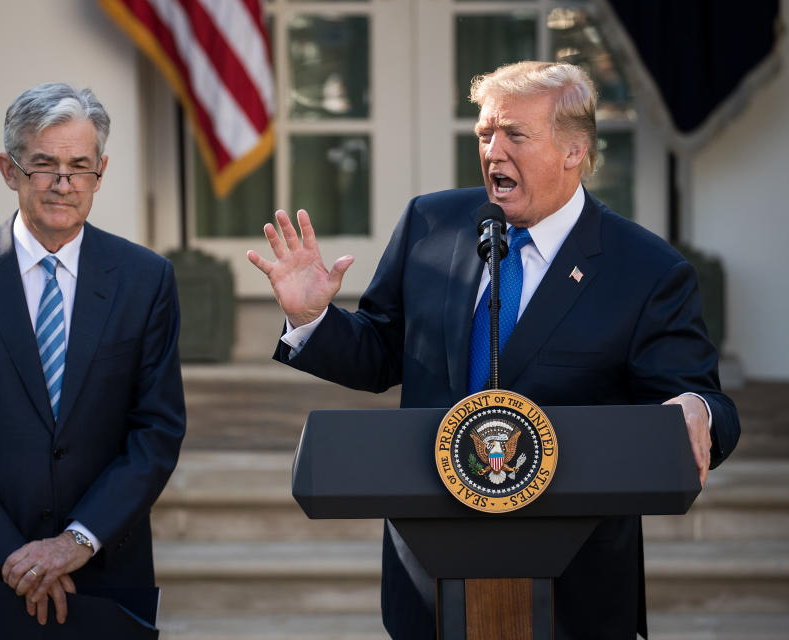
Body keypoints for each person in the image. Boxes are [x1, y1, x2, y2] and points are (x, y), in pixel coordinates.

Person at [248, 61, 740, 639]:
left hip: (573, 590)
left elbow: (707, 403)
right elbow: (382, 352)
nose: (493, 151)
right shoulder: (432, 223)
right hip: (429, 574)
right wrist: (313, 319)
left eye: (516, 135)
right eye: (485, 134)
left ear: (574, 151)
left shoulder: (647, 270)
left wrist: (695, 410)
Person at [0, 83, 185, 638]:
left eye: (80, 166)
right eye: (44, 165)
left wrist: (75, 542)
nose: (64, 184)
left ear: (100, 171)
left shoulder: (146, 278)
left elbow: (156, 431)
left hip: (103, 575)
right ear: (9, 170)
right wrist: (16, 556)